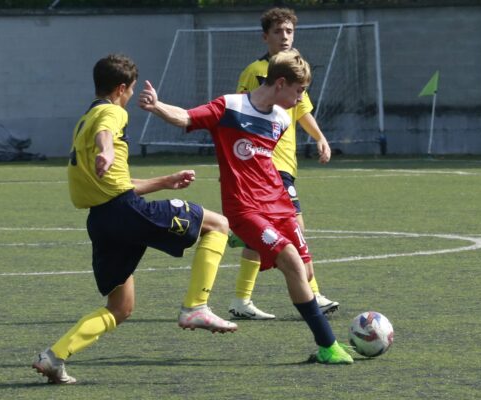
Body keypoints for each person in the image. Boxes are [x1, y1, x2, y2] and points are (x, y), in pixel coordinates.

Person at [32, 54, 237, 385]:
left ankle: (54, 357)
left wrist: (164, 182)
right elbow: (106, 133)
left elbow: (117, 183)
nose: (129, 99)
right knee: (219, 224)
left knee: (120, 307)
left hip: (102, 220)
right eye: (129, 92)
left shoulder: (83, 120)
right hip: (125, 212)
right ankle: (196, 306)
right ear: (121, 88)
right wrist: (107, 149)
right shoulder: (111, 112)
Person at [139, 49, 353, 364]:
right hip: (245, 209)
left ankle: (325, 341)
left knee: (305, 272)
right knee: (291, 261)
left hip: (279, 205)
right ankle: (328, 345)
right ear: (281, 83)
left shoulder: (280, 119)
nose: (301, 99)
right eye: (299, 91)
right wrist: (157, 106)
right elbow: (186, 116)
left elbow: (259, 161)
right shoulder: (229, 107)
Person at [228, 7, 338, 321]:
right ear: (266, 37)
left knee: (260, 234)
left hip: (286, 162)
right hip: (266, 163)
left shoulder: (295, 71)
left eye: (289, 31)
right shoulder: (256, 71)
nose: (285, 37)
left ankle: (241, 300)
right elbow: (239, 112)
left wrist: (320, 138)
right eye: (278, 31)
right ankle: (313, 293)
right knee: (295, 226)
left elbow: (302, 111)